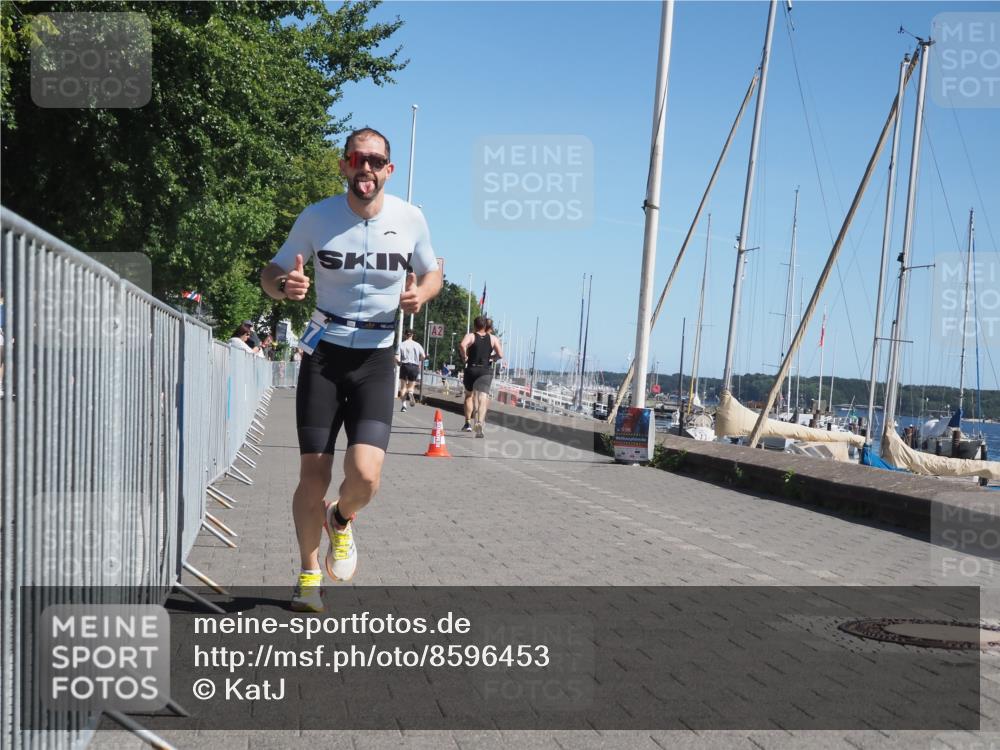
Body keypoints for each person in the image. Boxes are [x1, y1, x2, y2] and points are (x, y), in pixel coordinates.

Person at [260, 126, 442, 612]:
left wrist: (421, 294)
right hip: (324, 355)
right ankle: (307, 574)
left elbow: (433, 270)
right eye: (356, 159)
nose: (365, 168)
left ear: (389, 169)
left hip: (378, 358)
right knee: (312, 473)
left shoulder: (411, 218)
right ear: (344, 164)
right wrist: (284, 286)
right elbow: (271, 271)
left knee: (365, 475)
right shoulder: (317, 217)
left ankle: (340, 519)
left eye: (375, 161)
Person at [459, 315, 503, 437]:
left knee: (469, 395)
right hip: (485, 370)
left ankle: (467, 423)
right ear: (485, 326)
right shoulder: (493, 338)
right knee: (483, 397)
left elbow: (462, 345)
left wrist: (464, 357)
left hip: (471, 368)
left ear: (475, 325)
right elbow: (500, 354)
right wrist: (493, 358)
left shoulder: (471, 336)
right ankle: (479, 422)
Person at [394, 329, 425, 412]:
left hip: (404, 366)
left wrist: (398, 363)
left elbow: (396, 357)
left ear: (405, 335)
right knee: (411, 386)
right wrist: (419, 359)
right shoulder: (417, 345)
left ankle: (404, 406)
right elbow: (423, 356)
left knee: (403, 387)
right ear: (412, 335)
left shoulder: (401, 344)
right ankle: (411, 392)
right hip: (414, 366)